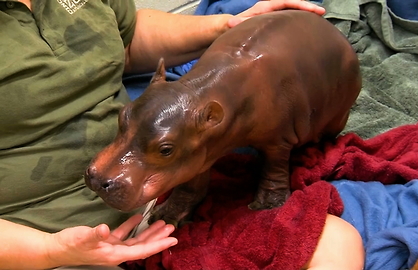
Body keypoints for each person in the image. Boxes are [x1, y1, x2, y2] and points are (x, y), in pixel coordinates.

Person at [0, 0, 364, 269]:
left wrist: (230, 29)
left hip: (158, 198)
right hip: (43, 243)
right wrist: (50, 250)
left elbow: (125, 41)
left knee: (334, 243)